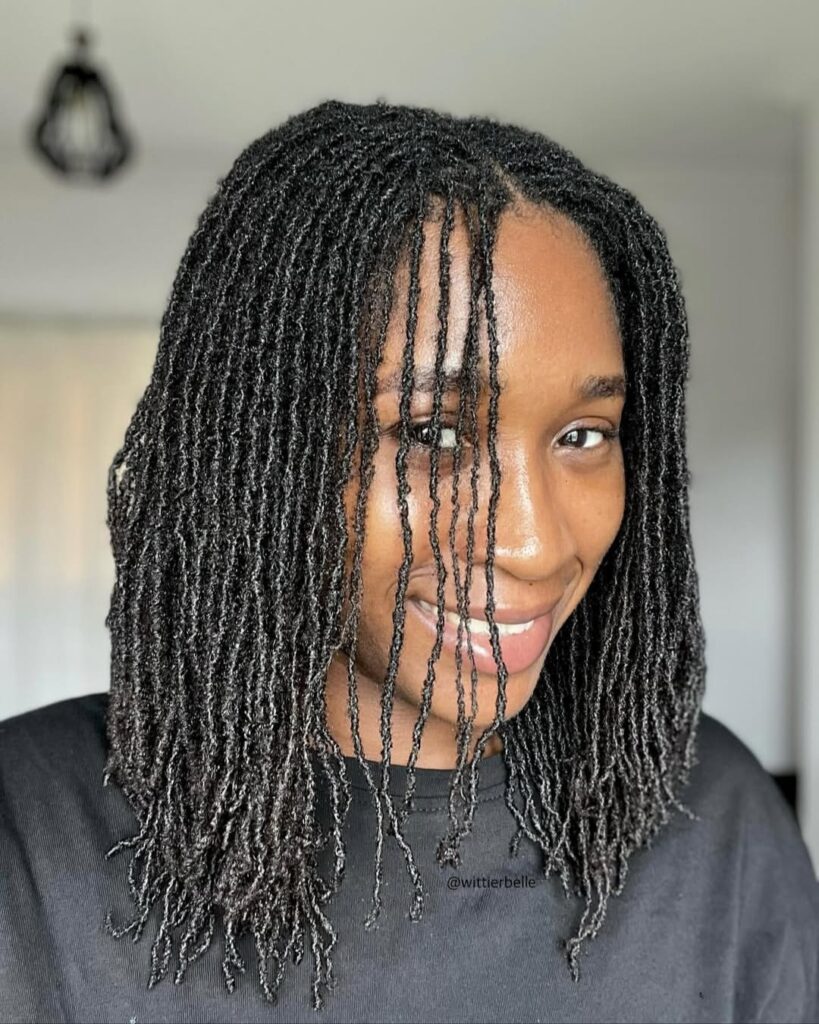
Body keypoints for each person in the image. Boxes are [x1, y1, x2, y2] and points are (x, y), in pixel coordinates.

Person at [1, 98, 817, 1024]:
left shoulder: (715, 816)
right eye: (431, 430)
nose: (535, 543)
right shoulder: (29, 836)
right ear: (261, 446)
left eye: (584, 433)